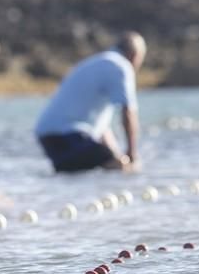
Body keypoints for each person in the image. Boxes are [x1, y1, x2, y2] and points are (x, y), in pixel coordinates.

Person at [34, 31, 146, 172]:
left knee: (84, 170)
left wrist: (117, 155)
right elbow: (128, 113)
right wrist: (131, 154)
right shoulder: (122, 66)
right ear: (135, 56)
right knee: (118, 167)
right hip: (70, 135)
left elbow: (101, 128)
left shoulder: (96, 63)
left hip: (48, 138)